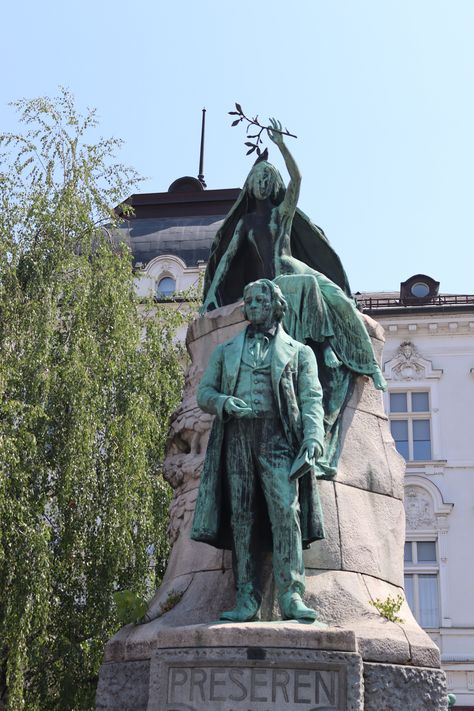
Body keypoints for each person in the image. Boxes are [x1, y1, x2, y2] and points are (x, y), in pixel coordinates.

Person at [191, 279, 326, 622]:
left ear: (275, 305)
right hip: (237, 436)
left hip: (278, 436)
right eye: (248, 300)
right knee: (241, 517)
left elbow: (312, 398)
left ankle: (291, 594)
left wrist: (313, 438)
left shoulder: (300, 352)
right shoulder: (226, 350)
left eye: (259, 300)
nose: (251, 306)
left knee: (286, 512)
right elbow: (204, 393)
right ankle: (246, 596)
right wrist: (223, 402)